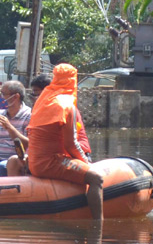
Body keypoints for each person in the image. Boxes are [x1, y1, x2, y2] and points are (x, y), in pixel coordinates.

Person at [26, 63, 104, 219]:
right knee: (96, 178)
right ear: (72, 82)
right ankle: (98, 225)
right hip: (50, 163)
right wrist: (86, 164)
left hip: (34, 162)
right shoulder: (66, 105)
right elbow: (71, 144)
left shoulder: (43, 100)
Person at [0, 80, 31, 177]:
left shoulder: (29, 115)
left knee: (2, 167)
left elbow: (29, 144)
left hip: (14, 162)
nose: (0, 97)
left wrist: (10, 128)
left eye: (3, 94)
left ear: (15, 97)